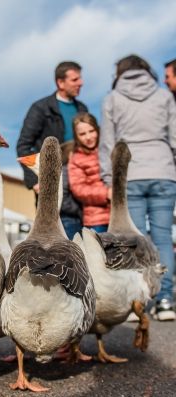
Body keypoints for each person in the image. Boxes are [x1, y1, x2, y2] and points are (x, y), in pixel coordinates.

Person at [99, 54, 176, 321]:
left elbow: (107, 144)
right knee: (164, 237)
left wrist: (109, 179)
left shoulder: (112, 99)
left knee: (133, 239)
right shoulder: (164, 96)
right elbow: (175, 137)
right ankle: (166, 300)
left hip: (129, 173)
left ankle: (136, 300)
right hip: (163, 170)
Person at [17, 61, 87, 240]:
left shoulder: (82, 109)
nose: (81, 83)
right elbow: (24, 145)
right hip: (51, 186)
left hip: (80, 188)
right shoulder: (41, 108)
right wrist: (35, 181)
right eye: (75, 79)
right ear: (60, 83)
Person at [68, 113, 111, 233]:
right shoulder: (76, 158)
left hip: (119, 215)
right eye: (82, 134)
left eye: (91, 131)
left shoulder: (109, 150)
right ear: (76, 137)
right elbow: (78, 189)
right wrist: (106, 193)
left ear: (97, 129)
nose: (88, 137)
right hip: (96, 219)